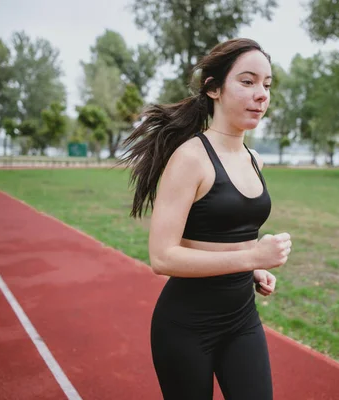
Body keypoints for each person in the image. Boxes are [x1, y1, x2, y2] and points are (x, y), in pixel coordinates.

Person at [121, 38, 292, 400]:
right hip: (186, 328)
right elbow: (162, 257)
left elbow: (229, 234)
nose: (261, 94)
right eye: (247, 82)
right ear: (213, 88)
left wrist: (254, 269)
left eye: (267, 84)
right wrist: (252, 258)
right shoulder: (190, 158)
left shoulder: (254, 159)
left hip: (242, 321)